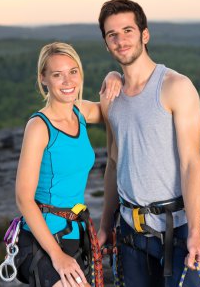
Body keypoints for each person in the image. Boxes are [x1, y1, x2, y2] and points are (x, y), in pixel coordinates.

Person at [97, 0, 200, 287]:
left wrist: (196, 232)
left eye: (128, 31)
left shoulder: (175, 86)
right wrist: (104, 225)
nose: (120, 40)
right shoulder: (111, 97)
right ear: (106, 43)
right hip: (129, 235)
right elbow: (113, 161)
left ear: (144, 35)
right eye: (112, 35)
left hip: (178, 229)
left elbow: (191, 163)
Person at [15, 42, 122, 287]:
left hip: (76, 234)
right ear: (43, 79)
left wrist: (113, 74)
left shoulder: (80, 112)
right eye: (57, 74)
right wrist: (56, 255)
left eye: (73, 71)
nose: (67, 81)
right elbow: (23, 198)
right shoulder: (39, 127)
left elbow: (115, 106)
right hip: (43, 237)